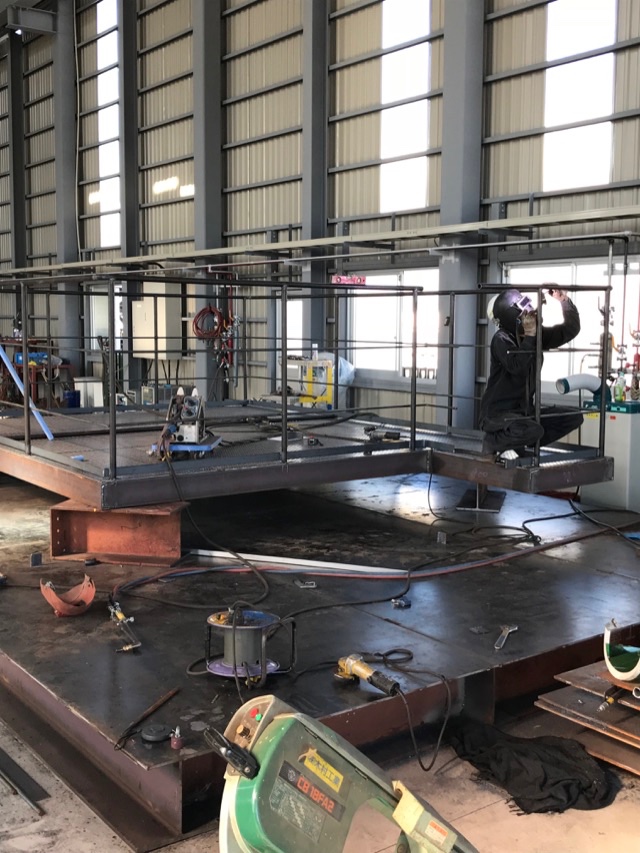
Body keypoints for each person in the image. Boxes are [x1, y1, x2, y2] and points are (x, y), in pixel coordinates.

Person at [479, 286, 584, 456]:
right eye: (523, 305)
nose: (529, 309)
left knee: (574, 417)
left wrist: (564, 300)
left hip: (524, 412)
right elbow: (517, 366)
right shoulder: (501, 339)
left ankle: (520, 441)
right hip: (498, 414)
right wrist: (530, 336)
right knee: (533, 430)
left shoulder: (535, 336)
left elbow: (569, 330)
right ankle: (493, 441)